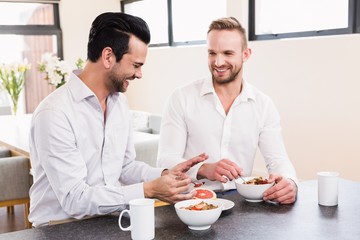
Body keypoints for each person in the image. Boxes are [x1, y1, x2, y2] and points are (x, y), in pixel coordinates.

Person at [28, 12, 208, 227]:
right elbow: (74, 200)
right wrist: (149, 189)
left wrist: (165, 174)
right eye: (136, 65)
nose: (139, 74)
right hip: (59, 227)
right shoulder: (54, 113)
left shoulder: (119, 104)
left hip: (110, 219)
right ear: (108, 57)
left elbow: (124, 167)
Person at [157, 17, 298, 204]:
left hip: (241, 202)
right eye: (212, 53)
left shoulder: (263, 105)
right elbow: (164, 161)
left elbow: (278, 160)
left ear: (246, 54)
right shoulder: (181, 98)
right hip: (189, 201)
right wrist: (203, 169)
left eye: (227, 53)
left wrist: (290, 182)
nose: (218, 61)